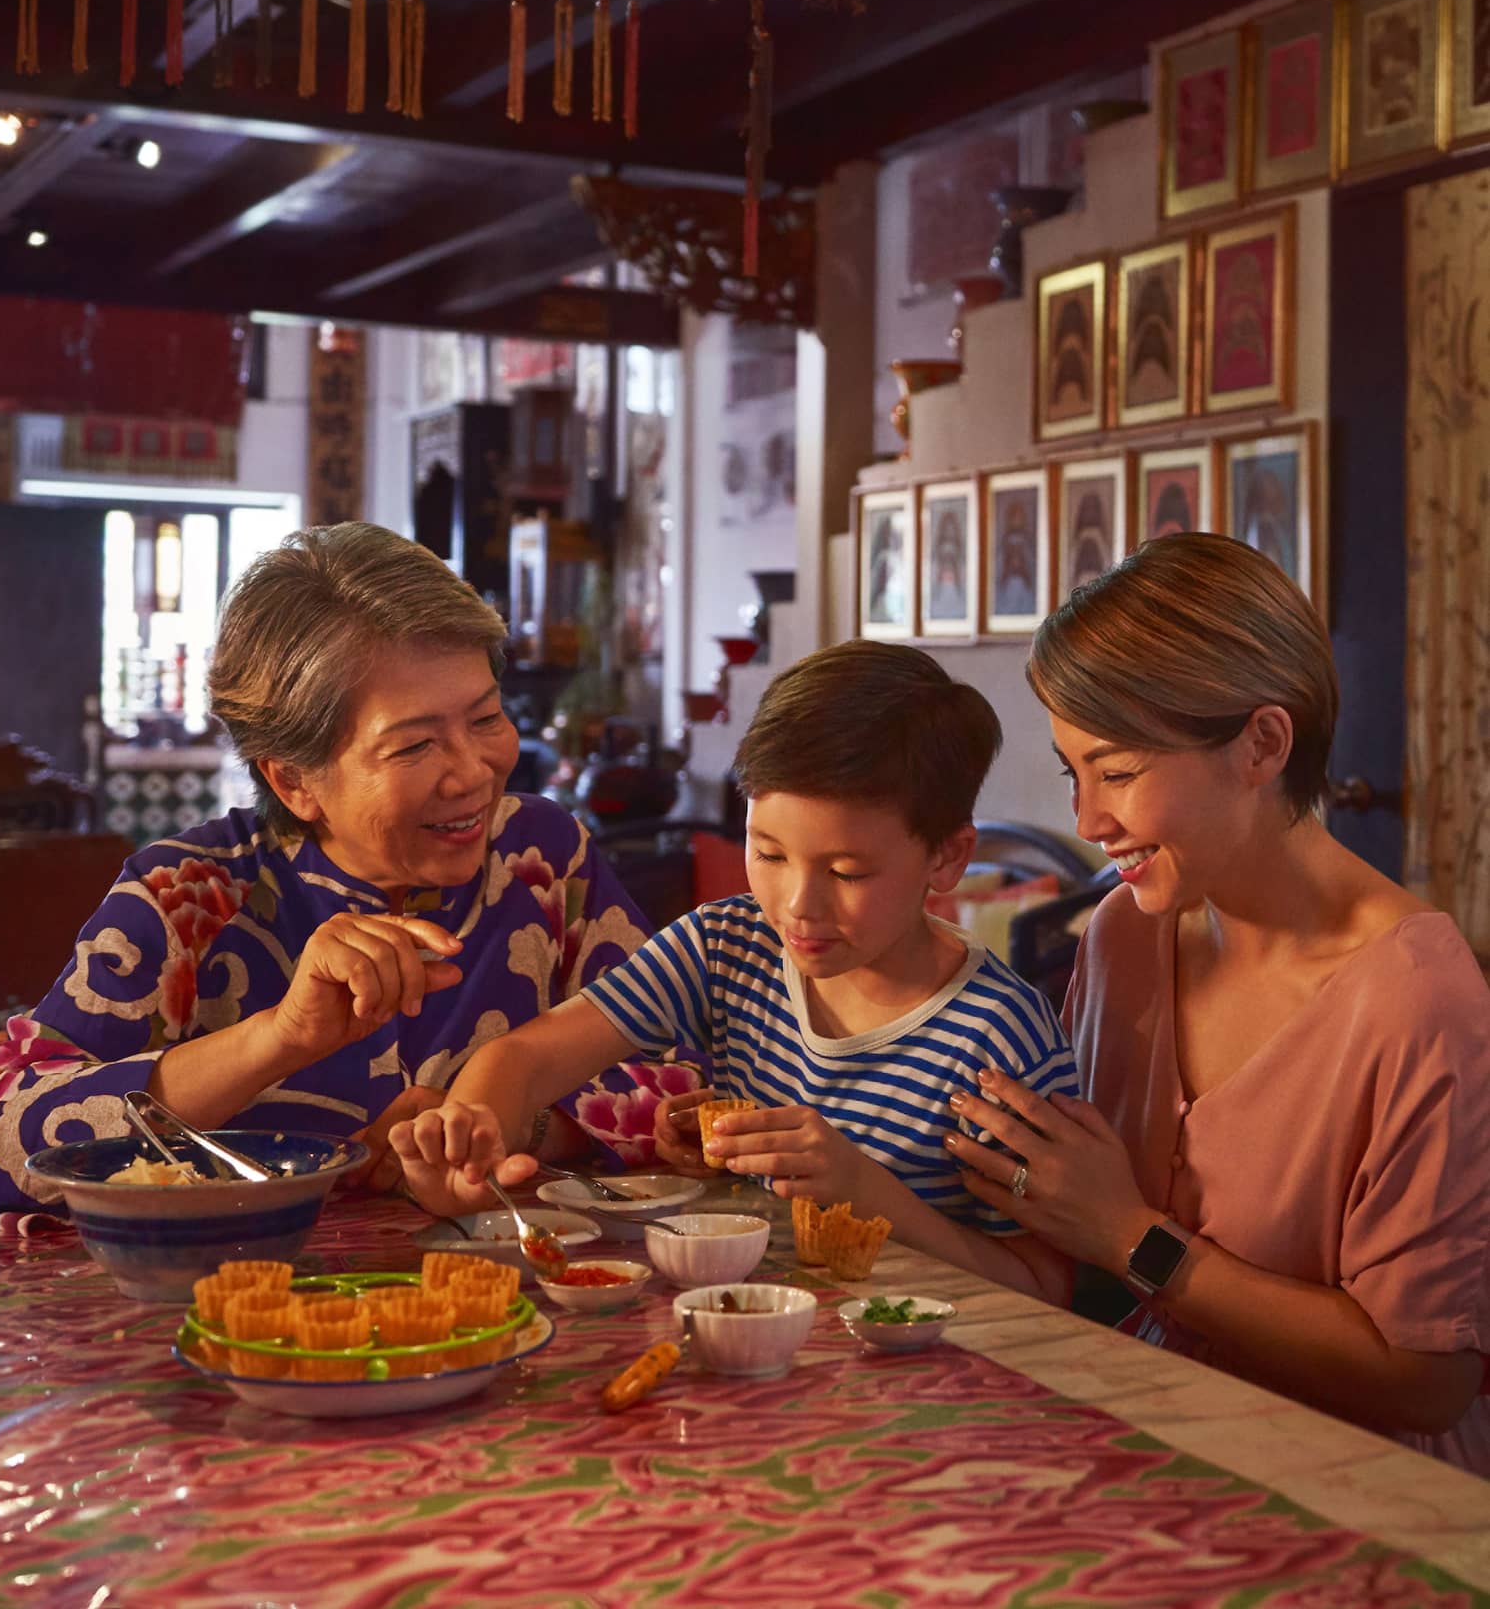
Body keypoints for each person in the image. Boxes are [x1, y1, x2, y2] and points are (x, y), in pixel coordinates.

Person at [945, 531, 1490, 1471]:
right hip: (1163, 1433)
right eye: (1076, 773)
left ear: (1262, 745)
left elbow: (1426, 1379)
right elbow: (1069, 1225)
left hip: (1363, 1492)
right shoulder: (1125, 933)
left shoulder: (1417, 1000)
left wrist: (1133, 1239)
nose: (1086, 822)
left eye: (1116, 773)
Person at [0, 523, 692, 1219]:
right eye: (413, 748)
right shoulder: (190, 897)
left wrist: (496, 1124)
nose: (474, 773)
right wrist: (279, 1037)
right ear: (294, 782)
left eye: (486, 718)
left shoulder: (540, 858)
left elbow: (686, 1077)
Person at [391, 642, 1078, 1299]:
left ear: (948, 858)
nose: (797, 907)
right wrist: (471, 1141)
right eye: (769, 854)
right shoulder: (730, 946)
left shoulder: (997, 1039)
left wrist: (862, 1193)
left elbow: (1050, 1292)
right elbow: (527, 1058)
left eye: (847, 872)